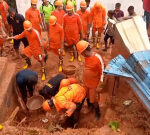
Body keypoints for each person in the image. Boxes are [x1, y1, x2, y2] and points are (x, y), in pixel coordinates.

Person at [76, 40, 105, 120]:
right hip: (86, 83)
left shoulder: (97, 58)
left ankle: (97, 112)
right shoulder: (86, 57)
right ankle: (90, 107)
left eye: (81, 53)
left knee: (94, 99)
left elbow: (103, 71)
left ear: (84, 52)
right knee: (87, 96)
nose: (81, 55)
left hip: (94, 85)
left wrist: (100, 84)